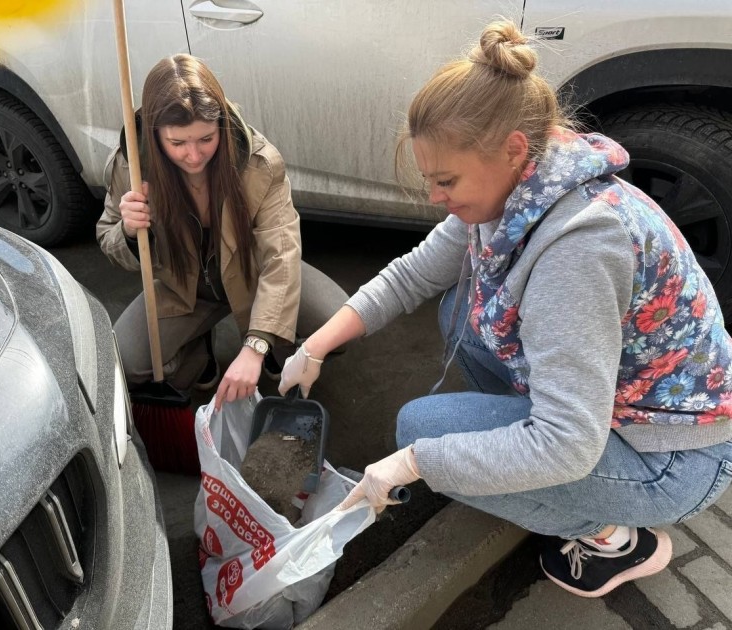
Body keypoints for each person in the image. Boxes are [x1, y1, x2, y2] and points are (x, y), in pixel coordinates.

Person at [278, 20, 732, 598]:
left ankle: (616, 539)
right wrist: (314, 346)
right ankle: (530, 446)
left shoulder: (578, 249)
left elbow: (568, 444)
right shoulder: (527, 182)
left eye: (445, 180)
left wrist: (415, 463)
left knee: (419, 428)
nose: (435, 198)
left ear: (513, 148)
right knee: (459, 313)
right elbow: (413, 273)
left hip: (671, 456)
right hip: (615, 400)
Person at [98, 54, 347, 410]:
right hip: (184, 289)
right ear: (155, 136)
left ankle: (277, 346)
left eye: (206, 138)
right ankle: (199, 351)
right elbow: (106, 235)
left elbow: (282, 254)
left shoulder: (259, 163)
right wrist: (127, 230)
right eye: (178, 143)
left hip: (253, 275)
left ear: (222, 125)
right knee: (123, 360)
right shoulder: (130, 166)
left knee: (338, 320)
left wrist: (257, 343)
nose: (194, 156)